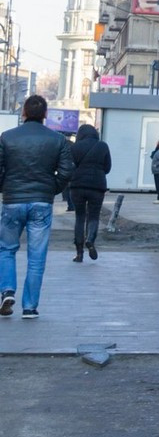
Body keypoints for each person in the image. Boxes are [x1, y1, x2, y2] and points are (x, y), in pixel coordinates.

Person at [0, 95, 75, 317]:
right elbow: (66, 171)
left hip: (13, 201)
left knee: (6, 249)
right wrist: (51, 189)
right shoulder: (57, 140)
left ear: (23, 112)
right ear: (45, 114)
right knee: (37, 256)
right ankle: (30, 307)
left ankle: (7, 290)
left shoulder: (6, 138)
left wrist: (6, 188)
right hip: (41, 202)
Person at [68, 124, 111, 263]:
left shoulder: (74, 147)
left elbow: (69, 166)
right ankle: (90, 240)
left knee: (79, 217)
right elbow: (107, 167)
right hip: (97, 187)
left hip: (77, 186)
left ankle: (79, 254)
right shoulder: (103, 146)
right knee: (93, 216)